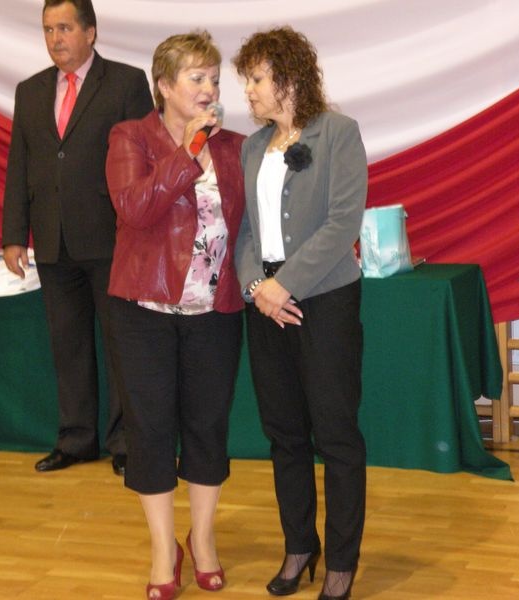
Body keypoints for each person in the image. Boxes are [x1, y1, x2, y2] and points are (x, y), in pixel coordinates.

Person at [104, 31, 244, 600]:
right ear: (164, 85)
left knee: (208, 427)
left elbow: (250, 228)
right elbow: (136, 208)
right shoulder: (130, 136)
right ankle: (165, 550)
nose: (209, 89)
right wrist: (186, 154)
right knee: (151, 429)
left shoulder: (234, 146)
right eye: (197, 78)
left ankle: (202, 540)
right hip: (144, 310)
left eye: (214, 78)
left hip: (215, 310)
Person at [233, 27, 368, 600]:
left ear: (288, 78)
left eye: (257, 79)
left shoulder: (338, 132)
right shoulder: (250, 147)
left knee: (335, 435)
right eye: (247, 80)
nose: (249, 91)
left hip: (325, 301)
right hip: (266, 305)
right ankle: (298, 545)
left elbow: (343, 224)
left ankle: (341, 560)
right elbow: (246, 232)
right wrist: (256, 288)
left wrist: (284, 284)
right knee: (284, 434)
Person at [2, 0, 153, 474]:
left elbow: (146, 158)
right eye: (48, 29)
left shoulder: (126, 82)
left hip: (113, 238)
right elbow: (19, 165)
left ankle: (127, 443)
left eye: (65, 28)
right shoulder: (30, 90)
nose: (55, 39)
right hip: (53, 239)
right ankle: (76, 439)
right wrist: (13, 235)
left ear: (90, 32)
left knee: (121, 346)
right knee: (67, 346)